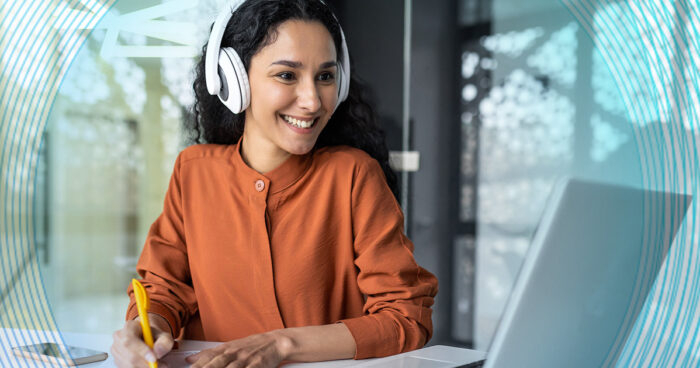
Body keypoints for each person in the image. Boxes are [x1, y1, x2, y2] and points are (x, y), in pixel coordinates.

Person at [110, 0, 438, 367]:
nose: (312, 101)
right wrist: (147, 325)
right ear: (232, 80)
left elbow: (405, 318)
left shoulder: (353, 176)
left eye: (326, 77)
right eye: (287, 75)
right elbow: (165, 290)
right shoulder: (193, 171)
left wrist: (281, 345)